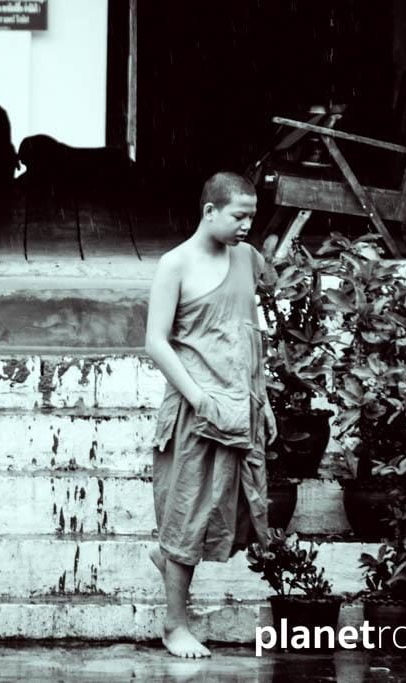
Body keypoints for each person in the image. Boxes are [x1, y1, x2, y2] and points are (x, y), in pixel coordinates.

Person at [145, 171, 277, 658]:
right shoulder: (174, 264)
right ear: (209, 211)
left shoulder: (247, 259)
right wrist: (198, 397)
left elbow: (248, 333)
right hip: (195, 411)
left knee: (230, 514)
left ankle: (166, 559)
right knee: (186, 518)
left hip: (240, 407)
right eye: (238, 216)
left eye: (251, 218)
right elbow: (155, 342)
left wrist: (262, 401)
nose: (247, 226)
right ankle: (174, 626)